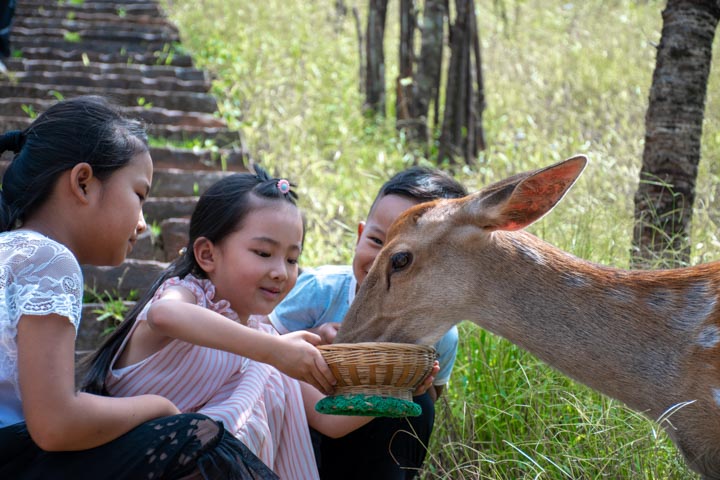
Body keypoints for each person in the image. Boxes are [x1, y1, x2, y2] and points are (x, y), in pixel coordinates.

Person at [81, 168, 436, 479]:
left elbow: (328, 419)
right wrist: (275, 350)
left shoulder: (263, 337)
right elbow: (165, 315)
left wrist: (399, 387)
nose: (280, 272)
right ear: (207, 254)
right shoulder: (186, 295)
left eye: (293, 258)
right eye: (263, 253)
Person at [0, 95, 276, 479]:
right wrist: (158, 405)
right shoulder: (49, 260)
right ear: (83, 183)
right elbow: (55, 423)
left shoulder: (13, 250)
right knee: (198, 435)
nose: (144, 223)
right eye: (139, 196)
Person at [268, 165, 468, 479]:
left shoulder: (438, 334)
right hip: (301, 428)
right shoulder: (322, 291)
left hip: (369, 449)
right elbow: (261, 346)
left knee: (420, 406)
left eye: (407, 256)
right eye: (377, 241)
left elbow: (424, 412)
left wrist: (414, 383)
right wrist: (316, 339)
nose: (383, 263)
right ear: (360, 234)